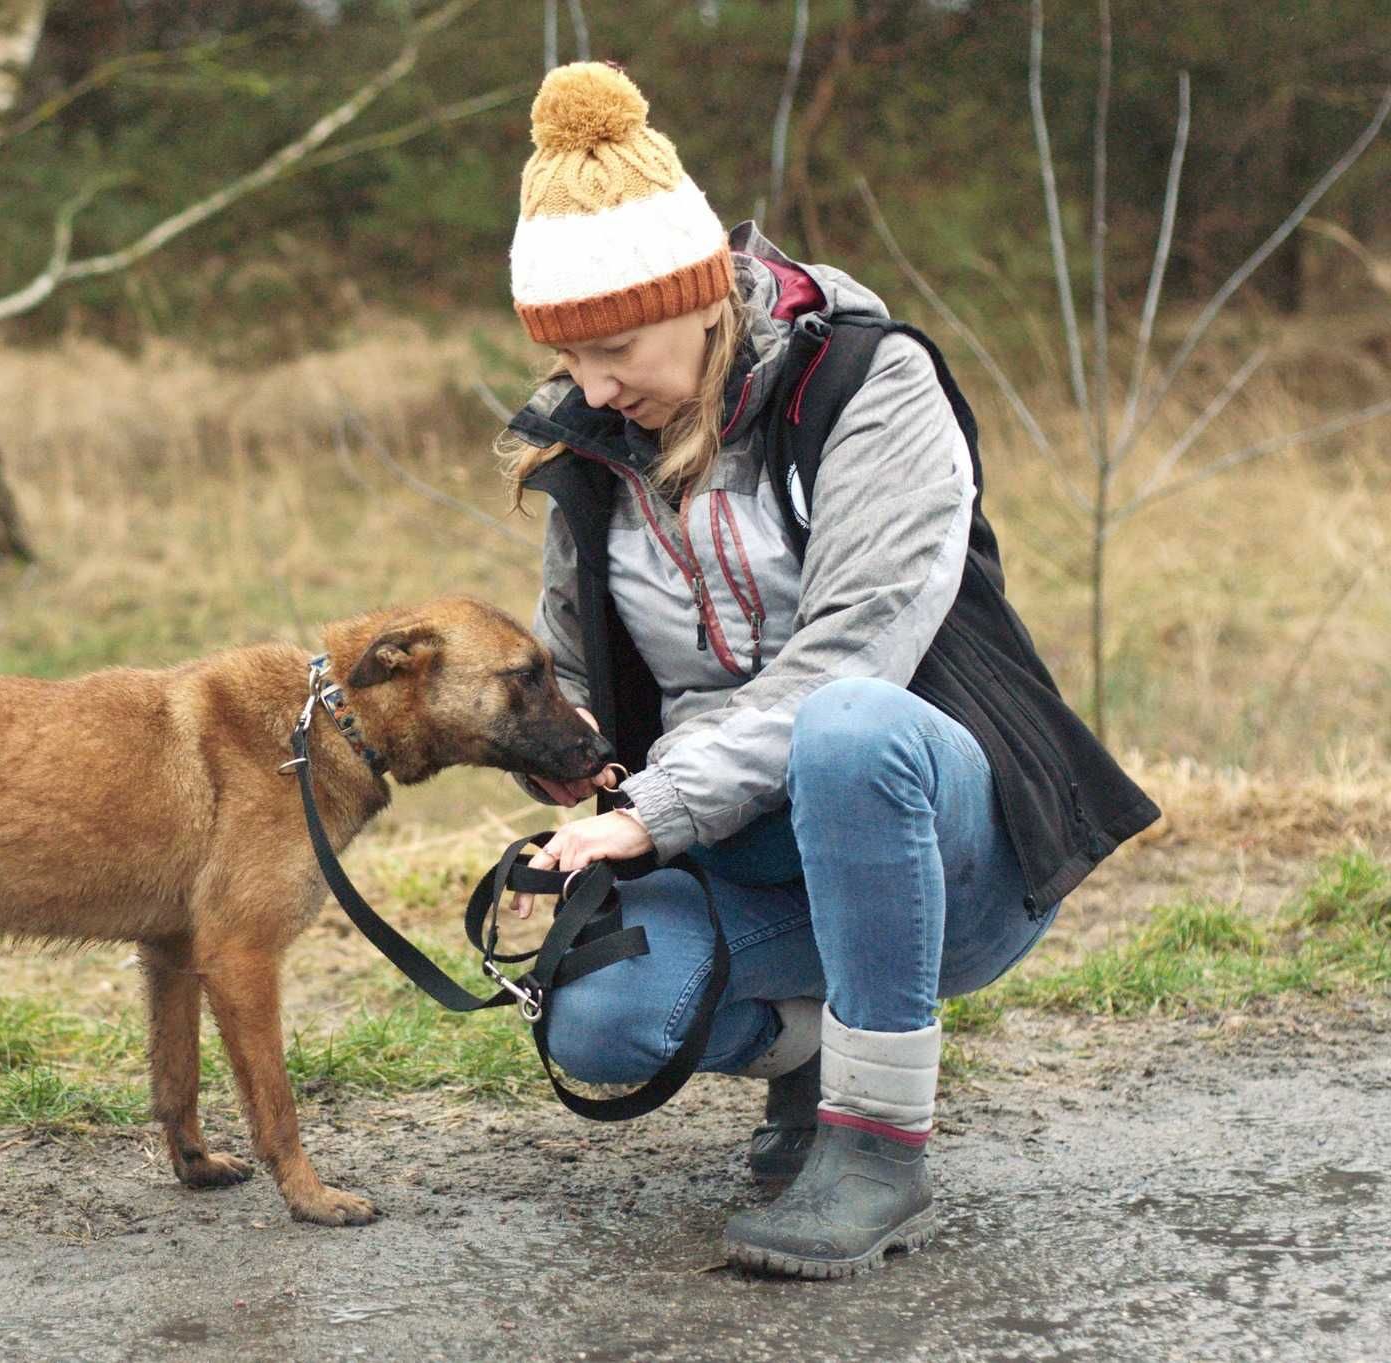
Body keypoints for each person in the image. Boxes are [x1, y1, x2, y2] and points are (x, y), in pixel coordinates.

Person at [495, 62, 1160, 1279]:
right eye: (566, 357)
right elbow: (582, 670)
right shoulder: (588, 448)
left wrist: (650, 809)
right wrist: (562, 754)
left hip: (944, 845)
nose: (591, 390)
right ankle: (811, 1051)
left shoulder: (869, 385)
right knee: (600, 1021)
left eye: (615, 347)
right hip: (746, 856)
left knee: (849, 724)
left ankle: (874, 1143)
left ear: (699, 295)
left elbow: (850, 658)